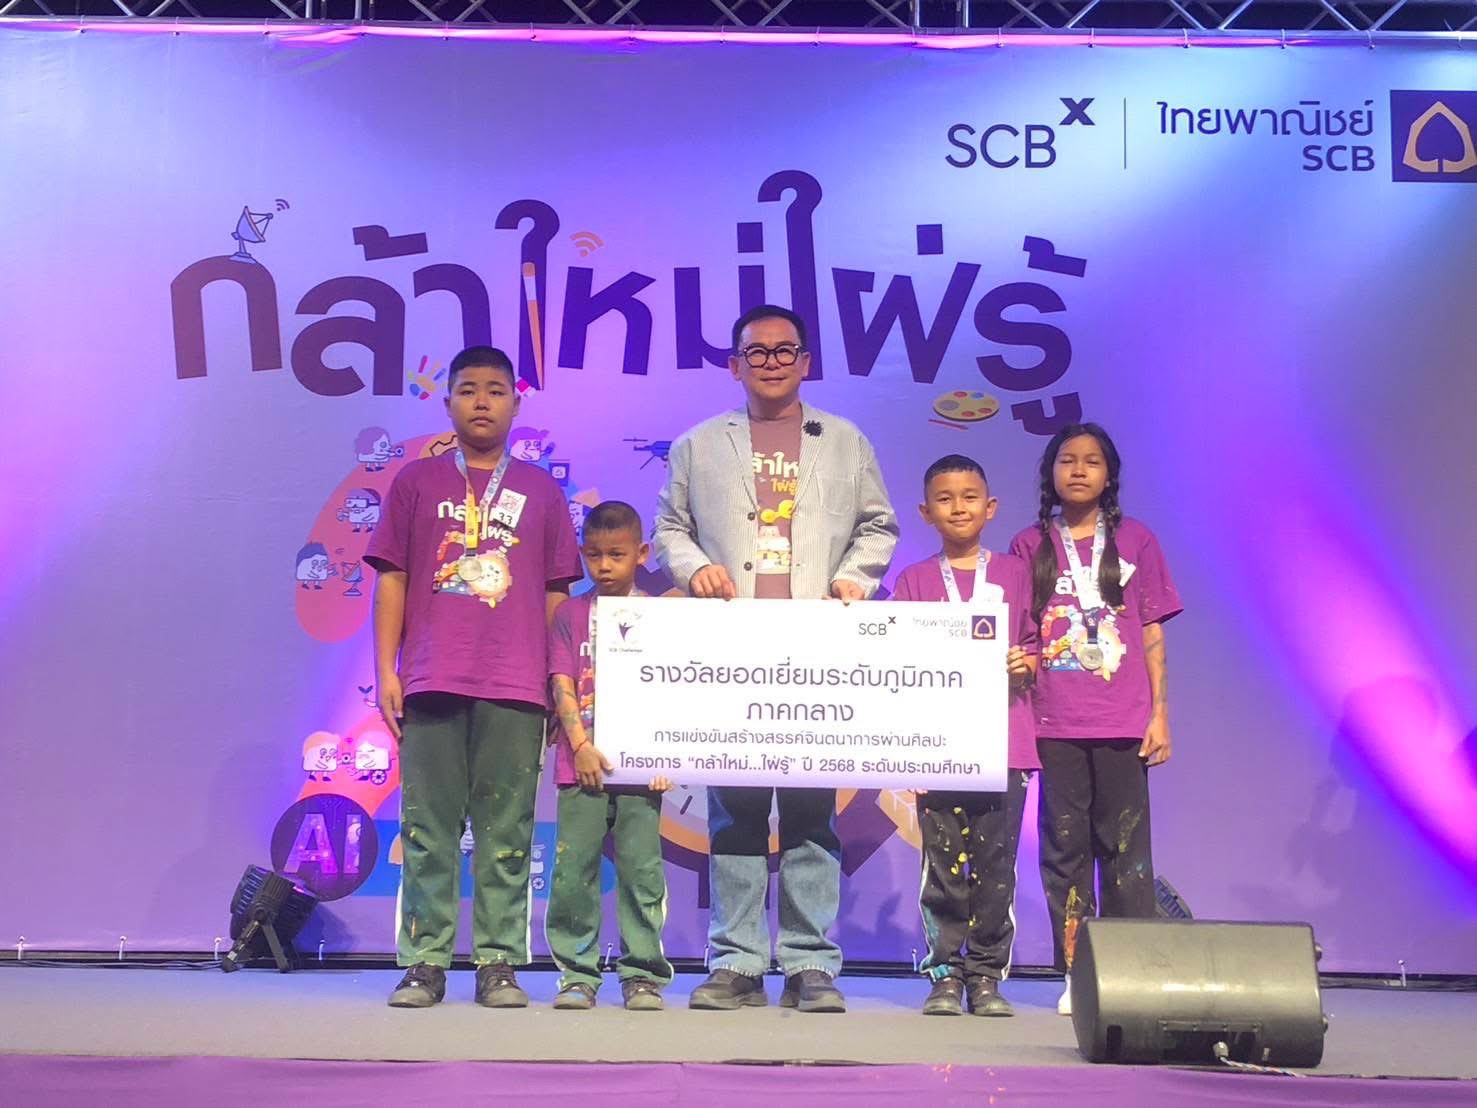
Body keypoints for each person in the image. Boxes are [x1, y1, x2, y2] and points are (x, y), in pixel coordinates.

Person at [653, 304, 899, 1013]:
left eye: (783, 350)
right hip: (731, 647)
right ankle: (734, 961)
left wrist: (854, 577)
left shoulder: (844, 441)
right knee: (734, 810)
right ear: (735, 365)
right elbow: (669, 527)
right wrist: (693, 567)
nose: (769, 362)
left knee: (810, 809)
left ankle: (809, 962)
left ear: (805, 362)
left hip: (813, 647)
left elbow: (877, 526)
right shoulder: (700, 444)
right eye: (755, 352)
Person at [364, 345, 582, 1009]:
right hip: (431, 675)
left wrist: (559, 681)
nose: (481, 401)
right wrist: (386, 669)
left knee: (507, 829)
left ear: (515, 404)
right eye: (467, 389)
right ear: (447, 403)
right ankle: (424, 961)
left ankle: (498, 962)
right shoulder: (415, 483)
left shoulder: (541, 491)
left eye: (494, 390)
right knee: (427, 827)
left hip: (516, 682)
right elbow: (392, 580)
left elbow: (556, 595)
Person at [1007, 423, 1182, 1016]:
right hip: (1053, 722)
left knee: (1126, 849)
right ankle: (1077, 973)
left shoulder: (1136, 540)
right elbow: (1021, 632)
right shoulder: (1029, 544)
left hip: (1124, 721)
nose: (1078, 470)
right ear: (1050, 473)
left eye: (1092, 461)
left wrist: (1160, 713)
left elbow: (1151, 630)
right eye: (1067, 460)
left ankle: (1132, 974)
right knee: (1064, 852)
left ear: (1109, 475)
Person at [891, 454, 1039, 1017]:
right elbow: (898, 665)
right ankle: (946, 974)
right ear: (926, 512)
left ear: (990, 507)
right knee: (944, 867)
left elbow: (1037, 644)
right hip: (938, 747)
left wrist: (1026, 663)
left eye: (970, 496)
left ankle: (986, 976)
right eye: (945, 498)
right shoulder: (914, 581)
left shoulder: (1016, 575)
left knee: (996, 867)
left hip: (1004, 743)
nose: (959, 507)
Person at [544, 501, 675, 1011]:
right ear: (583, 553)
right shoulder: (570, 614)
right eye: (594, 555)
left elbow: (675, 688)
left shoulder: (662, 615)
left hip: (642, 771)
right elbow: (561, 681)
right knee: (573, 872)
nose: (604, 566)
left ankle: (641, 972)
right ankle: (577, 974)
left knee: (642, 873)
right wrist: (580, 745)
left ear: (641, 553)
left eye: (617, 555)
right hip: (581, 764)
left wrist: (665, 758)